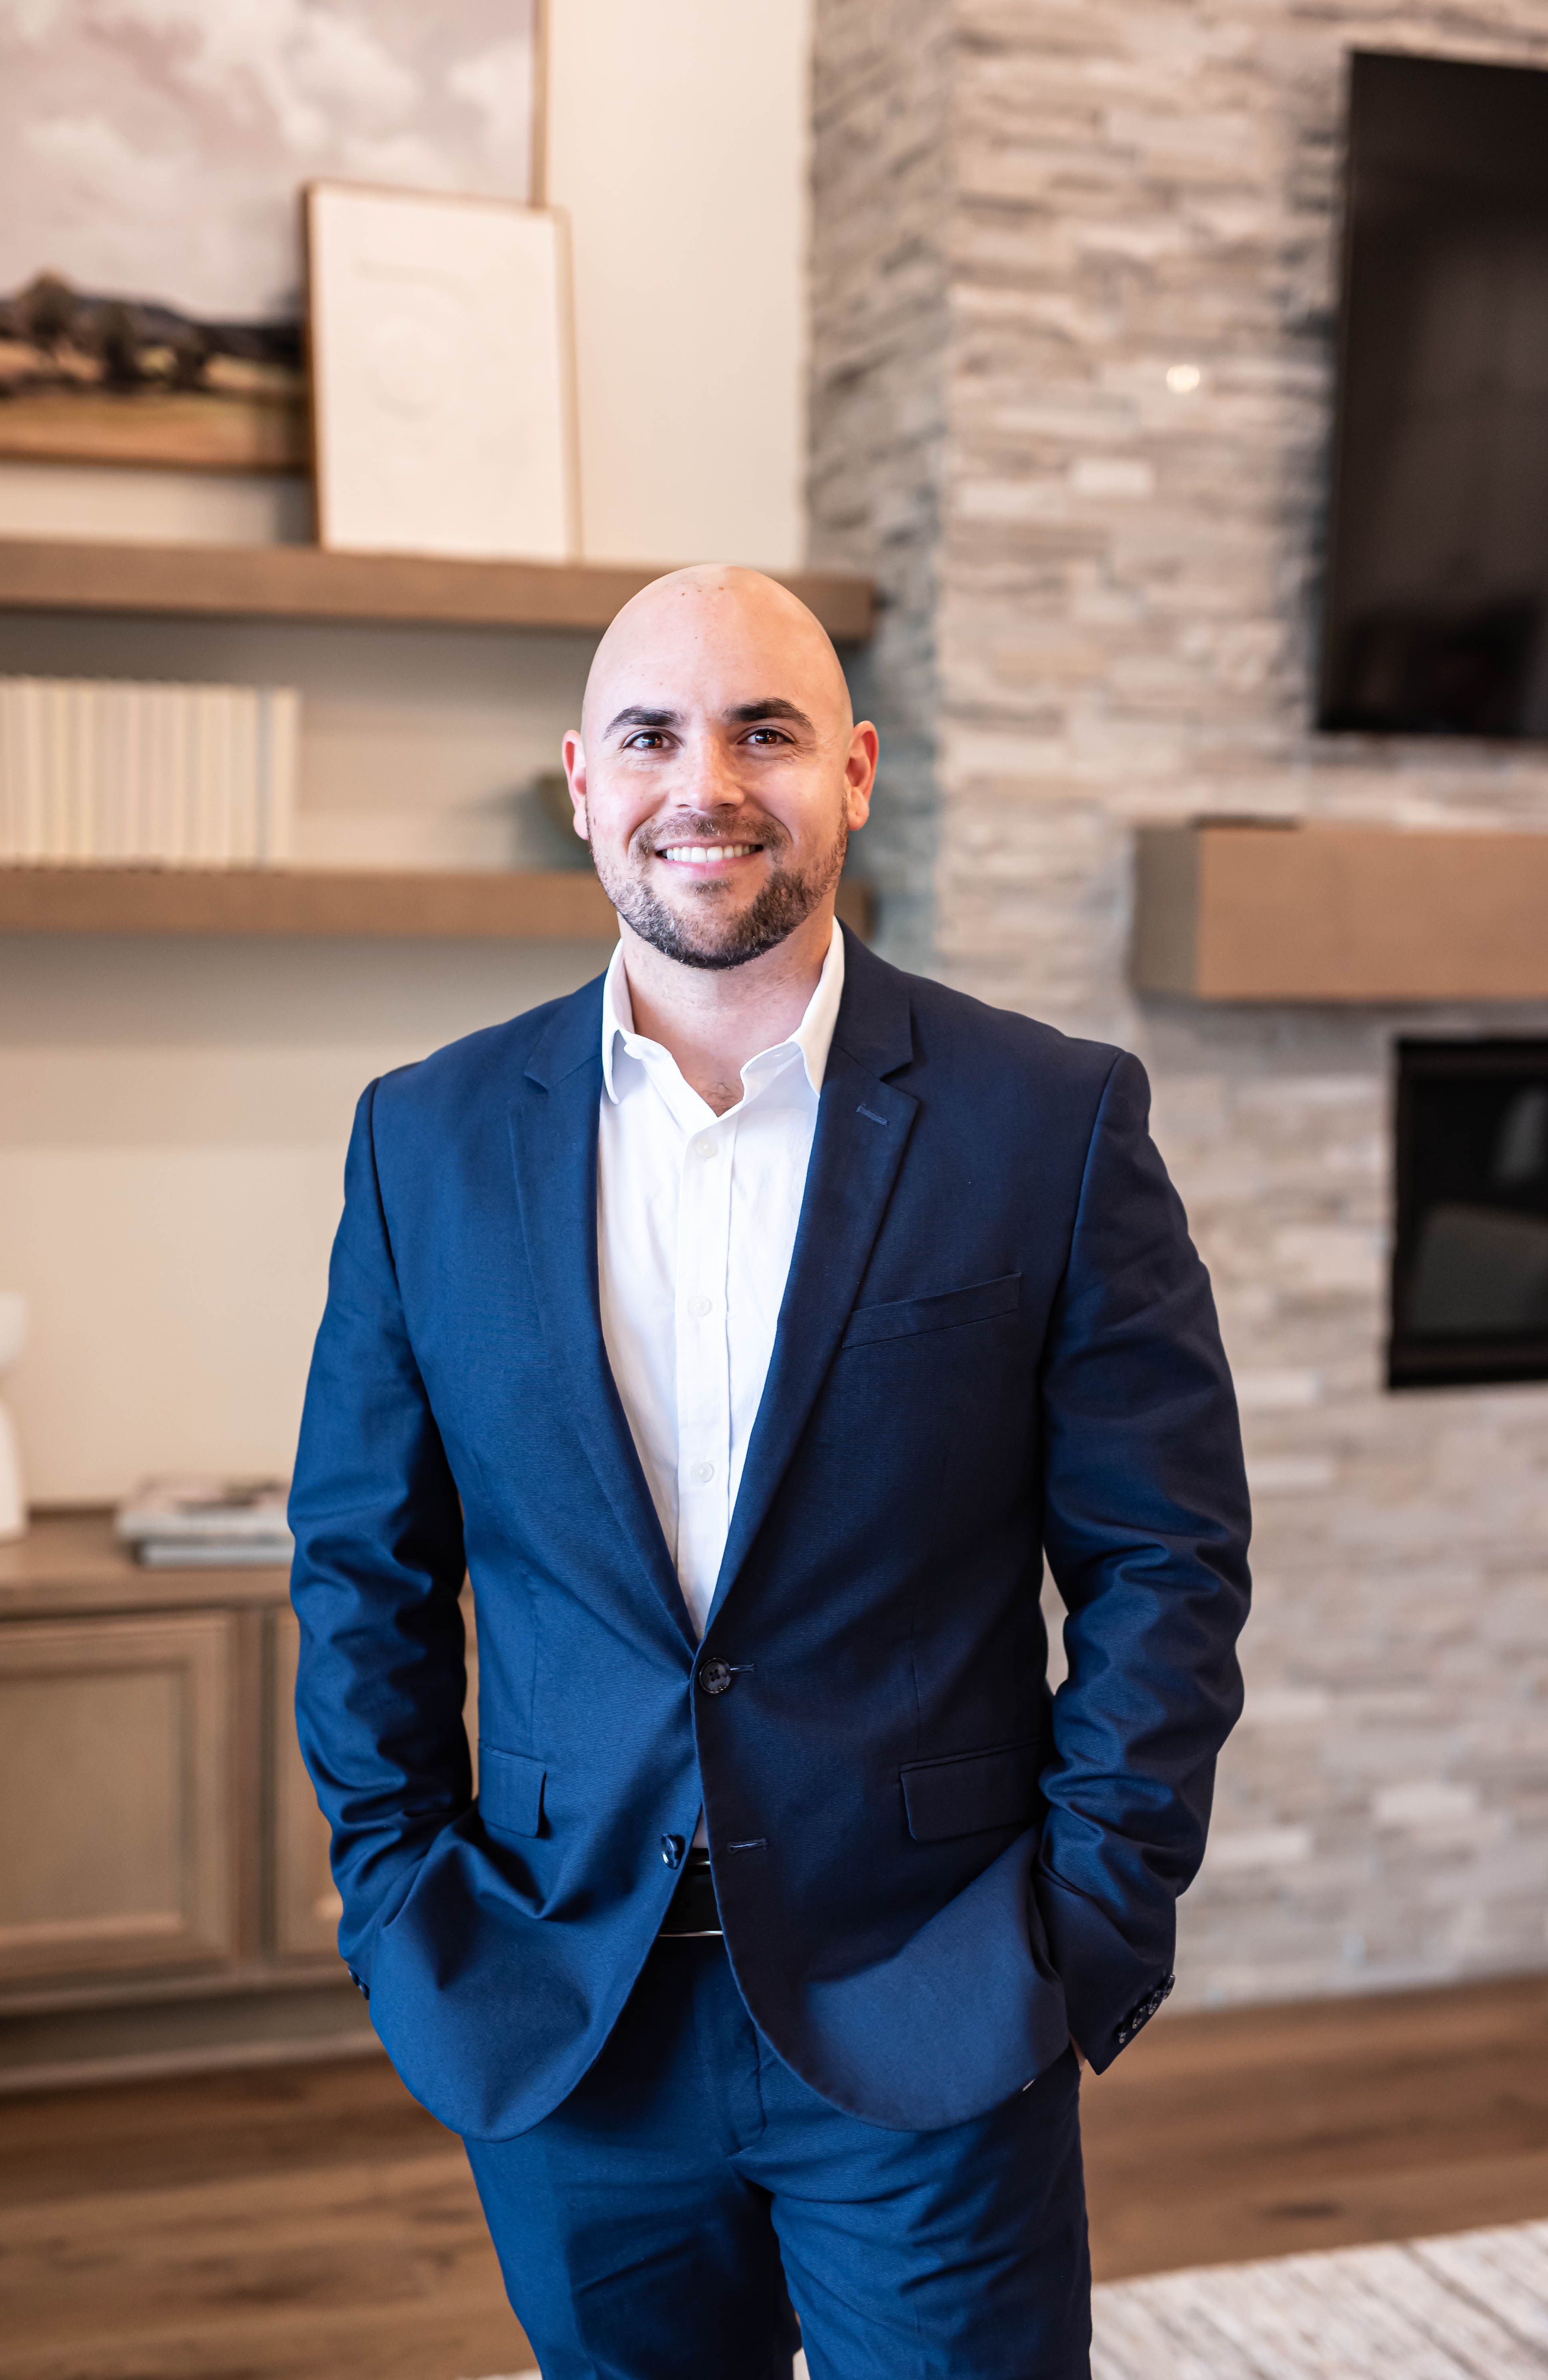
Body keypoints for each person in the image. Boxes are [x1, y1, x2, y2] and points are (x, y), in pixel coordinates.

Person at [289, 565, 1251, 2380]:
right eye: (652, 734)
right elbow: (364, 1564)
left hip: (939, 1988)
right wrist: (400, 1901)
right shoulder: (421, 1139)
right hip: (564, 1999)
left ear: (858, 769)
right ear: (581, 779)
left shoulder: (1046, 1121)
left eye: (766, 731)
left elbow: (1165, 1559)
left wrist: (1091, 1911)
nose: (703, 783)